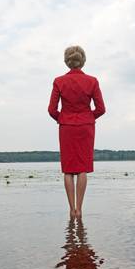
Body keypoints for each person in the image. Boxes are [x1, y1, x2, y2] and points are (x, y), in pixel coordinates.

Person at [48, 45, 106, 217]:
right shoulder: (92, 81)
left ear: (67, 62)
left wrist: (63, 118)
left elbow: (52, 110)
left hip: (66, 127)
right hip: (86, 127)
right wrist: (88, 117)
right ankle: (79, 209)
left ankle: (71, 209)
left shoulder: (59, 81)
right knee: (82, 168)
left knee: (68, 169)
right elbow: (101, 108)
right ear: (82, 61)